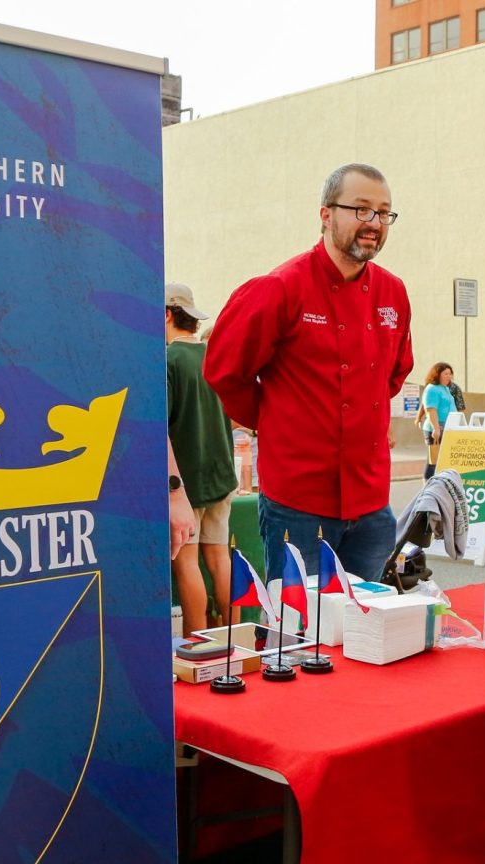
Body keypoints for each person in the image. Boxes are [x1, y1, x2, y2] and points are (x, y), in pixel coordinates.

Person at [205, 163, 413, 582]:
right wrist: (276, 420)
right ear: (326, 214)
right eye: (361, 209)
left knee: (366, 618)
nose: (374, 223)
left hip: (372, 505)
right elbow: (225, 371)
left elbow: (393, 375)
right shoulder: (281, 287)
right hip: (297, 505)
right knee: (297, 621)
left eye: (383, 212)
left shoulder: (393, 292)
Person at [166, 283, 237, 635]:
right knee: (220, 558)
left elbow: (160, 427)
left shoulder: (168, 361)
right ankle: (236, 638)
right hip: (223, 475)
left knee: (187, 564)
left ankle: (198, 646)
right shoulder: (214, 355)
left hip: (186, 482)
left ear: (167, 315)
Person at [416, 362, 457, 480]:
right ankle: (428, 484)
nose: (449, 376)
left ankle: (438, 484)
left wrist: (418, 418)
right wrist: (436, 428)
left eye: (450, 374)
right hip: (437, 428)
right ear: (437, 374)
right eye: (445, 374)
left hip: (447, 427)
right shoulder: (432, 389)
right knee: (433, 462)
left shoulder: (444, 388)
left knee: (440, 460)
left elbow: (424, 404)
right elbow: (430, 409)